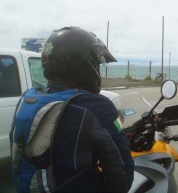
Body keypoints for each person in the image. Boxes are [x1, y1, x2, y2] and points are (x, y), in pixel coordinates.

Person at [10, 27, 134, 192]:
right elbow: (122, 177)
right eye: (96, 64)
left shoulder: (28, 98)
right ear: (82, 64)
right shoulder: (96, 107)